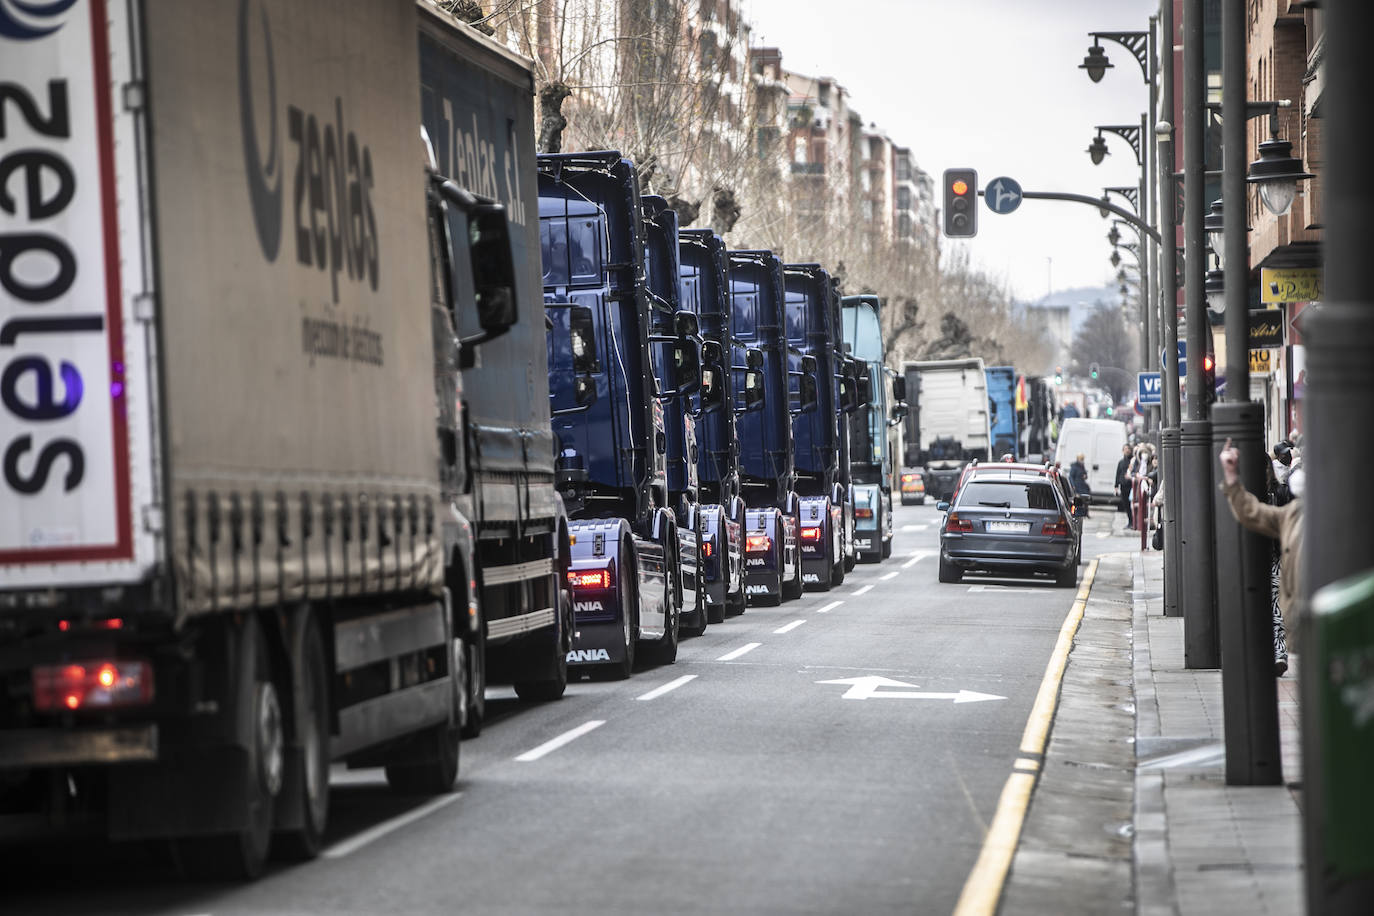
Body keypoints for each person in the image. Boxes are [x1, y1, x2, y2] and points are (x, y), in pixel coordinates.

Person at [1218, 437, 1304, 675]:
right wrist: (1232, 481)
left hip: (1279, 561)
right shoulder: (1290, 512)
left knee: (1275, 608)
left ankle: (1278, 654)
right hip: (1266, 562)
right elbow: (1253, 513)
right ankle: (1273, 653)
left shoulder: (1283, 495)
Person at [1069, 452, 1091, 517]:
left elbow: (1085, 474)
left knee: (1086, 499)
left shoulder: (1082, 466)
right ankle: (1077, 512)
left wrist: (1085, 476)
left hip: (1082, 485)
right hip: (1077, 486)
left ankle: (1085, 512)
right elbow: (1071, 477)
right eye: (1081, 459)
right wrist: (1073, 485)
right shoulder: (1074, 466)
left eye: (1082, 459)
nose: (1082, 460)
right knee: (1078, 500)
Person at [1114, 443, 1133, 515]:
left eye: (1128, 449)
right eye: (1125, 449)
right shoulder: (1121, 462)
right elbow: (1118, 474)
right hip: (1123, 485)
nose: (1127, 451)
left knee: (1130, 503)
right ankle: (1129, 520)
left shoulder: (1132, 461)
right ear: (1123, 451)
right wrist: (1116, 485)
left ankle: (1132, 520)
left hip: (1130, 485)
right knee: (1125, 503)